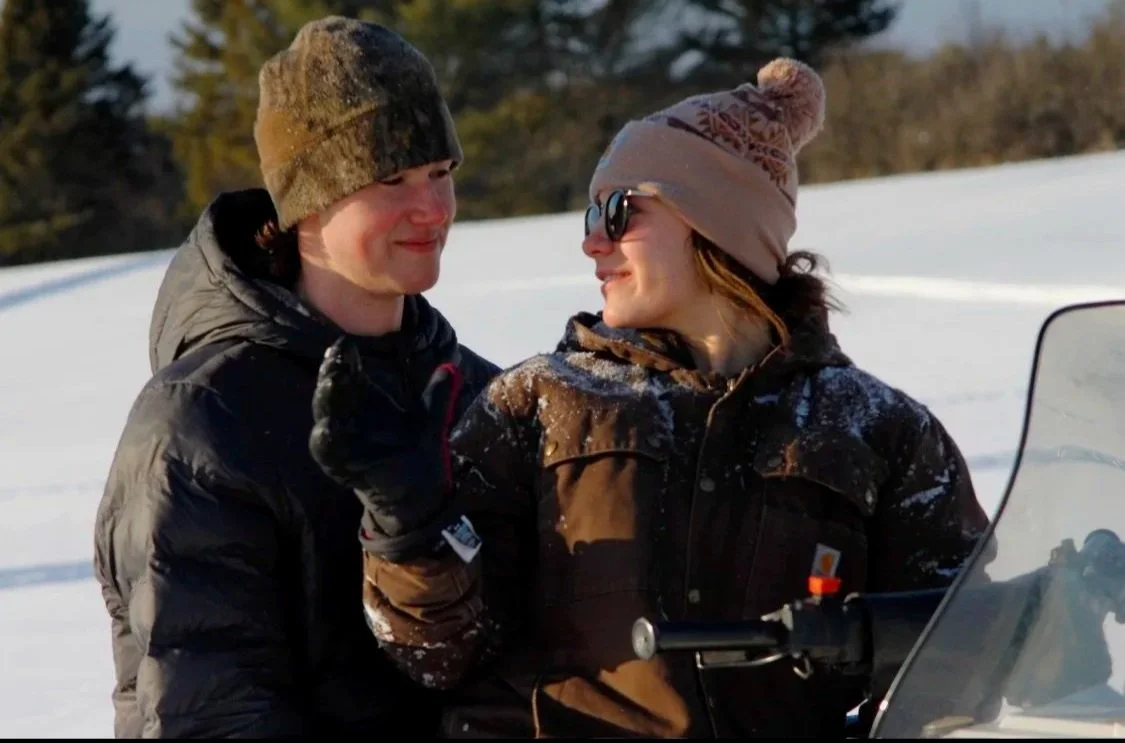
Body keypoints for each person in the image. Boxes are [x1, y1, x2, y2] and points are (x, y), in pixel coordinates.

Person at [308, 57, 991, 738]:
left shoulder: (878, 430)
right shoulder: (538, 404)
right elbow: (435, 655)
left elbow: (965, 664)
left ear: (716, 220)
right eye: (591, 213)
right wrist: (410, 527)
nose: (591, 241)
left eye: (618, 212)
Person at [92, 16, 500, 738]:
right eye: (390, 179)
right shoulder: (202, 423)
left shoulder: (474, 390)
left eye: (441, 173)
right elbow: (210, 713)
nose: (432, 208)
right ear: (309, 199)